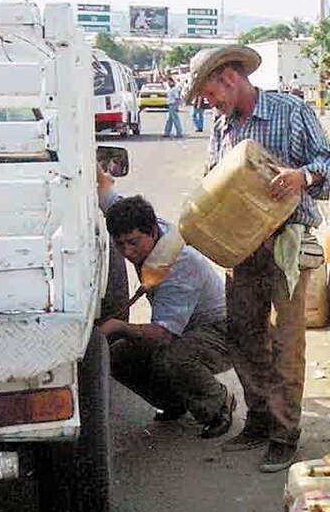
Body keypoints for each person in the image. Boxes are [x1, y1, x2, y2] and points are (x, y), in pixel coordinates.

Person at [186, 45, 330, 472]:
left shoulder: (290, 111)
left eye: (210, 94)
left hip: (286, 244)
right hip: (241, 247)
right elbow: (213, 181)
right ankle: (258, 419)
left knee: (285, 341)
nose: (209, 103)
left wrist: (302, 176)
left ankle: (284, 432)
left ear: (229, 78)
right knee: (243, 333)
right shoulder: (222, 125)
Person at [96, 169, 234, 439]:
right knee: (120, 357)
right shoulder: (140, 222)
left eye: (133, 243)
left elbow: (162, 335)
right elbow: (105, 191)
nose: (127, 252)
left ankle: (217, 405)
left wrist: (119, 327)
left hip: (218, 331)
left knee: (172, 357)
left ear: (151, 231)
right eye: (120, 244)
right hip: (185, 328)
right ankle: (176, 402)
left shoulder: (177, 265)